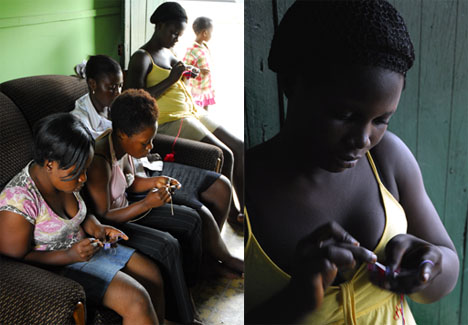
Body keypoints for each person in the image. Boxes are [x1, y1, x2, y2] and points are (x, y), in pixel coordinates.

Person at [245, 1, 459, 324]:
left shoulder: (388, 159)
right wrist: (296, 301)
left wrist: (429, 269)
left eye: (381, 120)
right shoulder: (245, 187)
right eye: (346, 116)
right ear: (291, 83)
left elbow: (448, 264)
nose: (363, 139)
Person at [73, 55, 243, 276]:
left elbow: (130, 180)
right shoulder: (94, 141)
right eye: (111, 87)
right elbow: (104, 211)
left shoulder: (120, 128)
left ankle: (213, 260)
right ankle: (209, 265)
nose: (116, 93)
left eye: (120, 86)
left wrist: (155, 180)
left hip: (137, 177)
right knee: (179, 231)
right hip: (119, 205)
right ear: (92, 84)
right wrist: (147, 203)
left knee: (209, 199)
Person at [0, 113, 165, 324]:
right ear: (50, 164)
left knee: (152, 273)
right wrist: (69, 255)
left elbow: (80, 215)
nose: (84, 179)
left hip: (83, 249)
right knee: (136, 299)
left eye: (85, 170)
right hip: (55, 266)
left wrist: (97, 228)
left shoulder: (65, 178)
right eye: (78, 172)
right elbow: (15, 262)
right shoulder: (17, 202)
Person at [124, 1, 244, 226]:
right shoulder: (142, 57)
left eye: (179, 34)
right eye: (173, 32)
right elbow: (133, 99)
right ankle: (231, 215)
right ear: (159, 26)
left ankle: (246, 211)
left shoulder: (168, 50)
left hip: (192, 112)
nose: (177, 38)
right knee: (226, 154)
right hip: (171, 119)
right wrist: (171, 79)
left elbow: (174, 81)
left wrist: (186, 74)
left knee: (239, 146)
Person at [183, 16, 215, 111]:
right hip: (197, 90)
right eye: (211, 32)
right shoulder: (192, 51)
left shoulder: (205, 47)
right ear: (205, 33)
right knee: (197, 112)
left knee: (206, 113)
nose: (212, 35)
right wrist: (199, 71)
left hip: (206, 87)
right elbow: (184, 69)